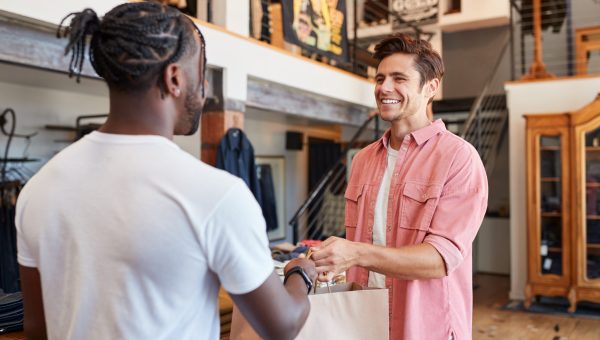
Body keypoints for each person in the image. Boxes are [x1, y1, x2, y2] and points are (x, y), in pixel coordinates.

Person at [15, 2, 316, 339]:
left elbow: (37, 329)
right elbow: (283, 325)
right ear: (175, 78)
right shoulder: (215, 193)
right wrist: (300, 272)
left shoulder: (39, 188)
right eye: (201, 77)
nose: (204, 92)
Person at [310, 33, 488, 340]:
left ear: (430, 87)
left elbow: (439, 259)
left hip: (424, 327)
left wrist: (356, 253)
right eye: (380, 78)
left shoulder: (458, 158)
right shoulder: (363, 160)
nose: (384, 88)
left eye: (399, 78)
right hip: (364, 321)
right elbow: (364, 239)